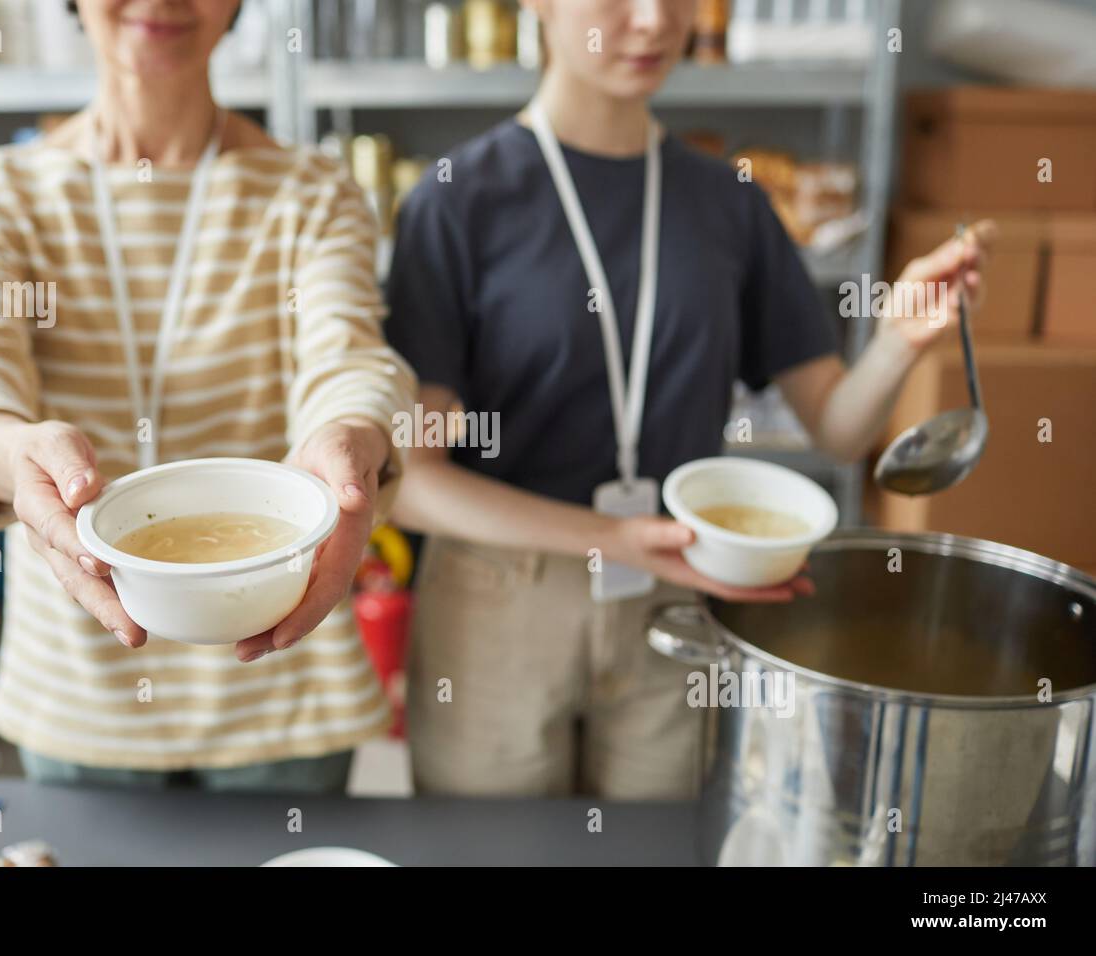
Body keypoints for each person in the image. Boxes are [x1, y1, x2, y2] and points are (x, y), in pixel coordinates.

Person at [384, 0, 992, 800]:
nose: (652, 21)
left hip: (676, 595)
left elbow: (839, 429)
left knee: (661, 847)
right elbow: (414, 483)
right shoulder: (457, 199)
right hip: (504, 599)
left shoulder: (729, 200)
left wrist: (898, 340)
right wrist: (614, 537)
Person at [0, 0, 415, 792]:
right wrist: (18, 451)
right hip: (79, 687)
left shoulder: (311, 190)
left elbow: (349, 359)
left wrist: (349, 437)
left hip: (282, 679)